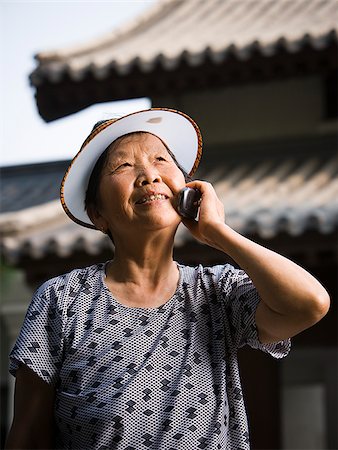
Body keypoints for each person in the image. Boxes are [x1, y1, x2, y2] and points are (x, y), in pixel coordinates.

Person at [6, 108, 330, 450]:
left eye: (161, 159)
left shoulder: (218, 291)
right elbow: (27, 434)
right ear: (97, 214)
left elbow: (310, 304)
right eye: (123, 167)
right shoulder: (63, 299)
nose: (149, 175)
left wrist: (219, 233)